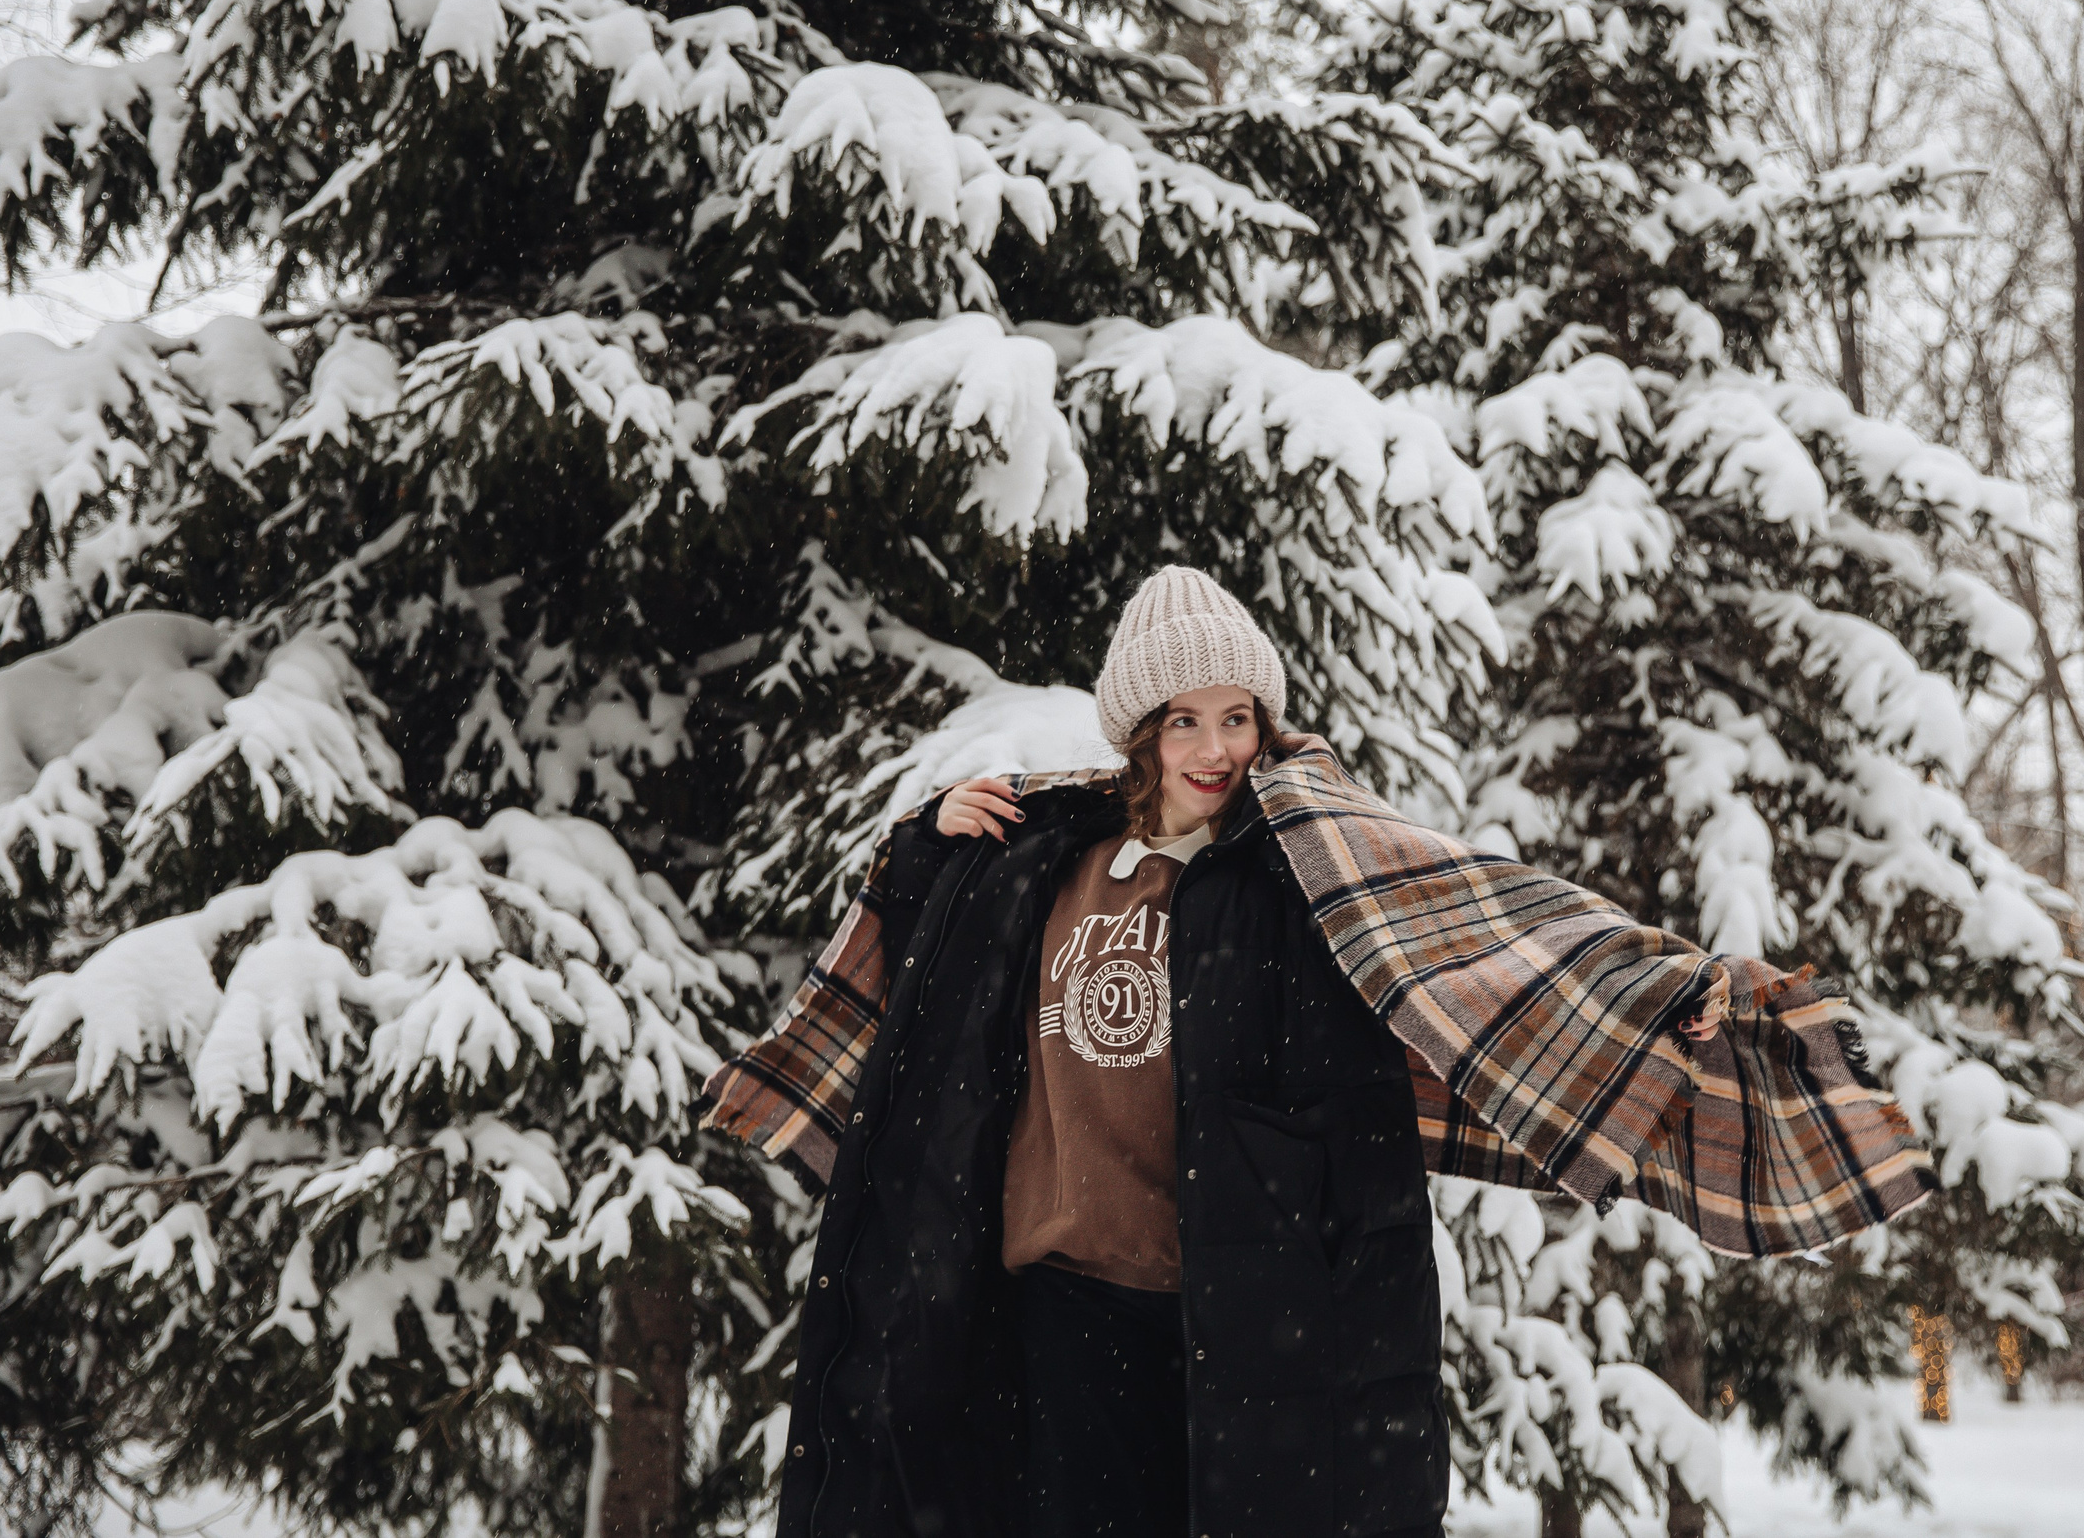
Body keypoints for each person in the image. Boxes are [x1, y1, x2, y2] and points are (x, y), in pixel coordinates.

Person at [700, 566, 1935, 1538]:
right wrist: (929, 840)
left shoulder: (1309, 864)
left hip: (1232, 1316)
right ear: (1139, 732)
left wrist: (1659, 991)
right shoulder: (1044, 858)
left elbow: (1483, 936)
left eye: (1237, 717)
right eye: (1184, 720)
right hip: (1057, 1309)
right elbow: (927, 1003)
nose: (1214, 748)